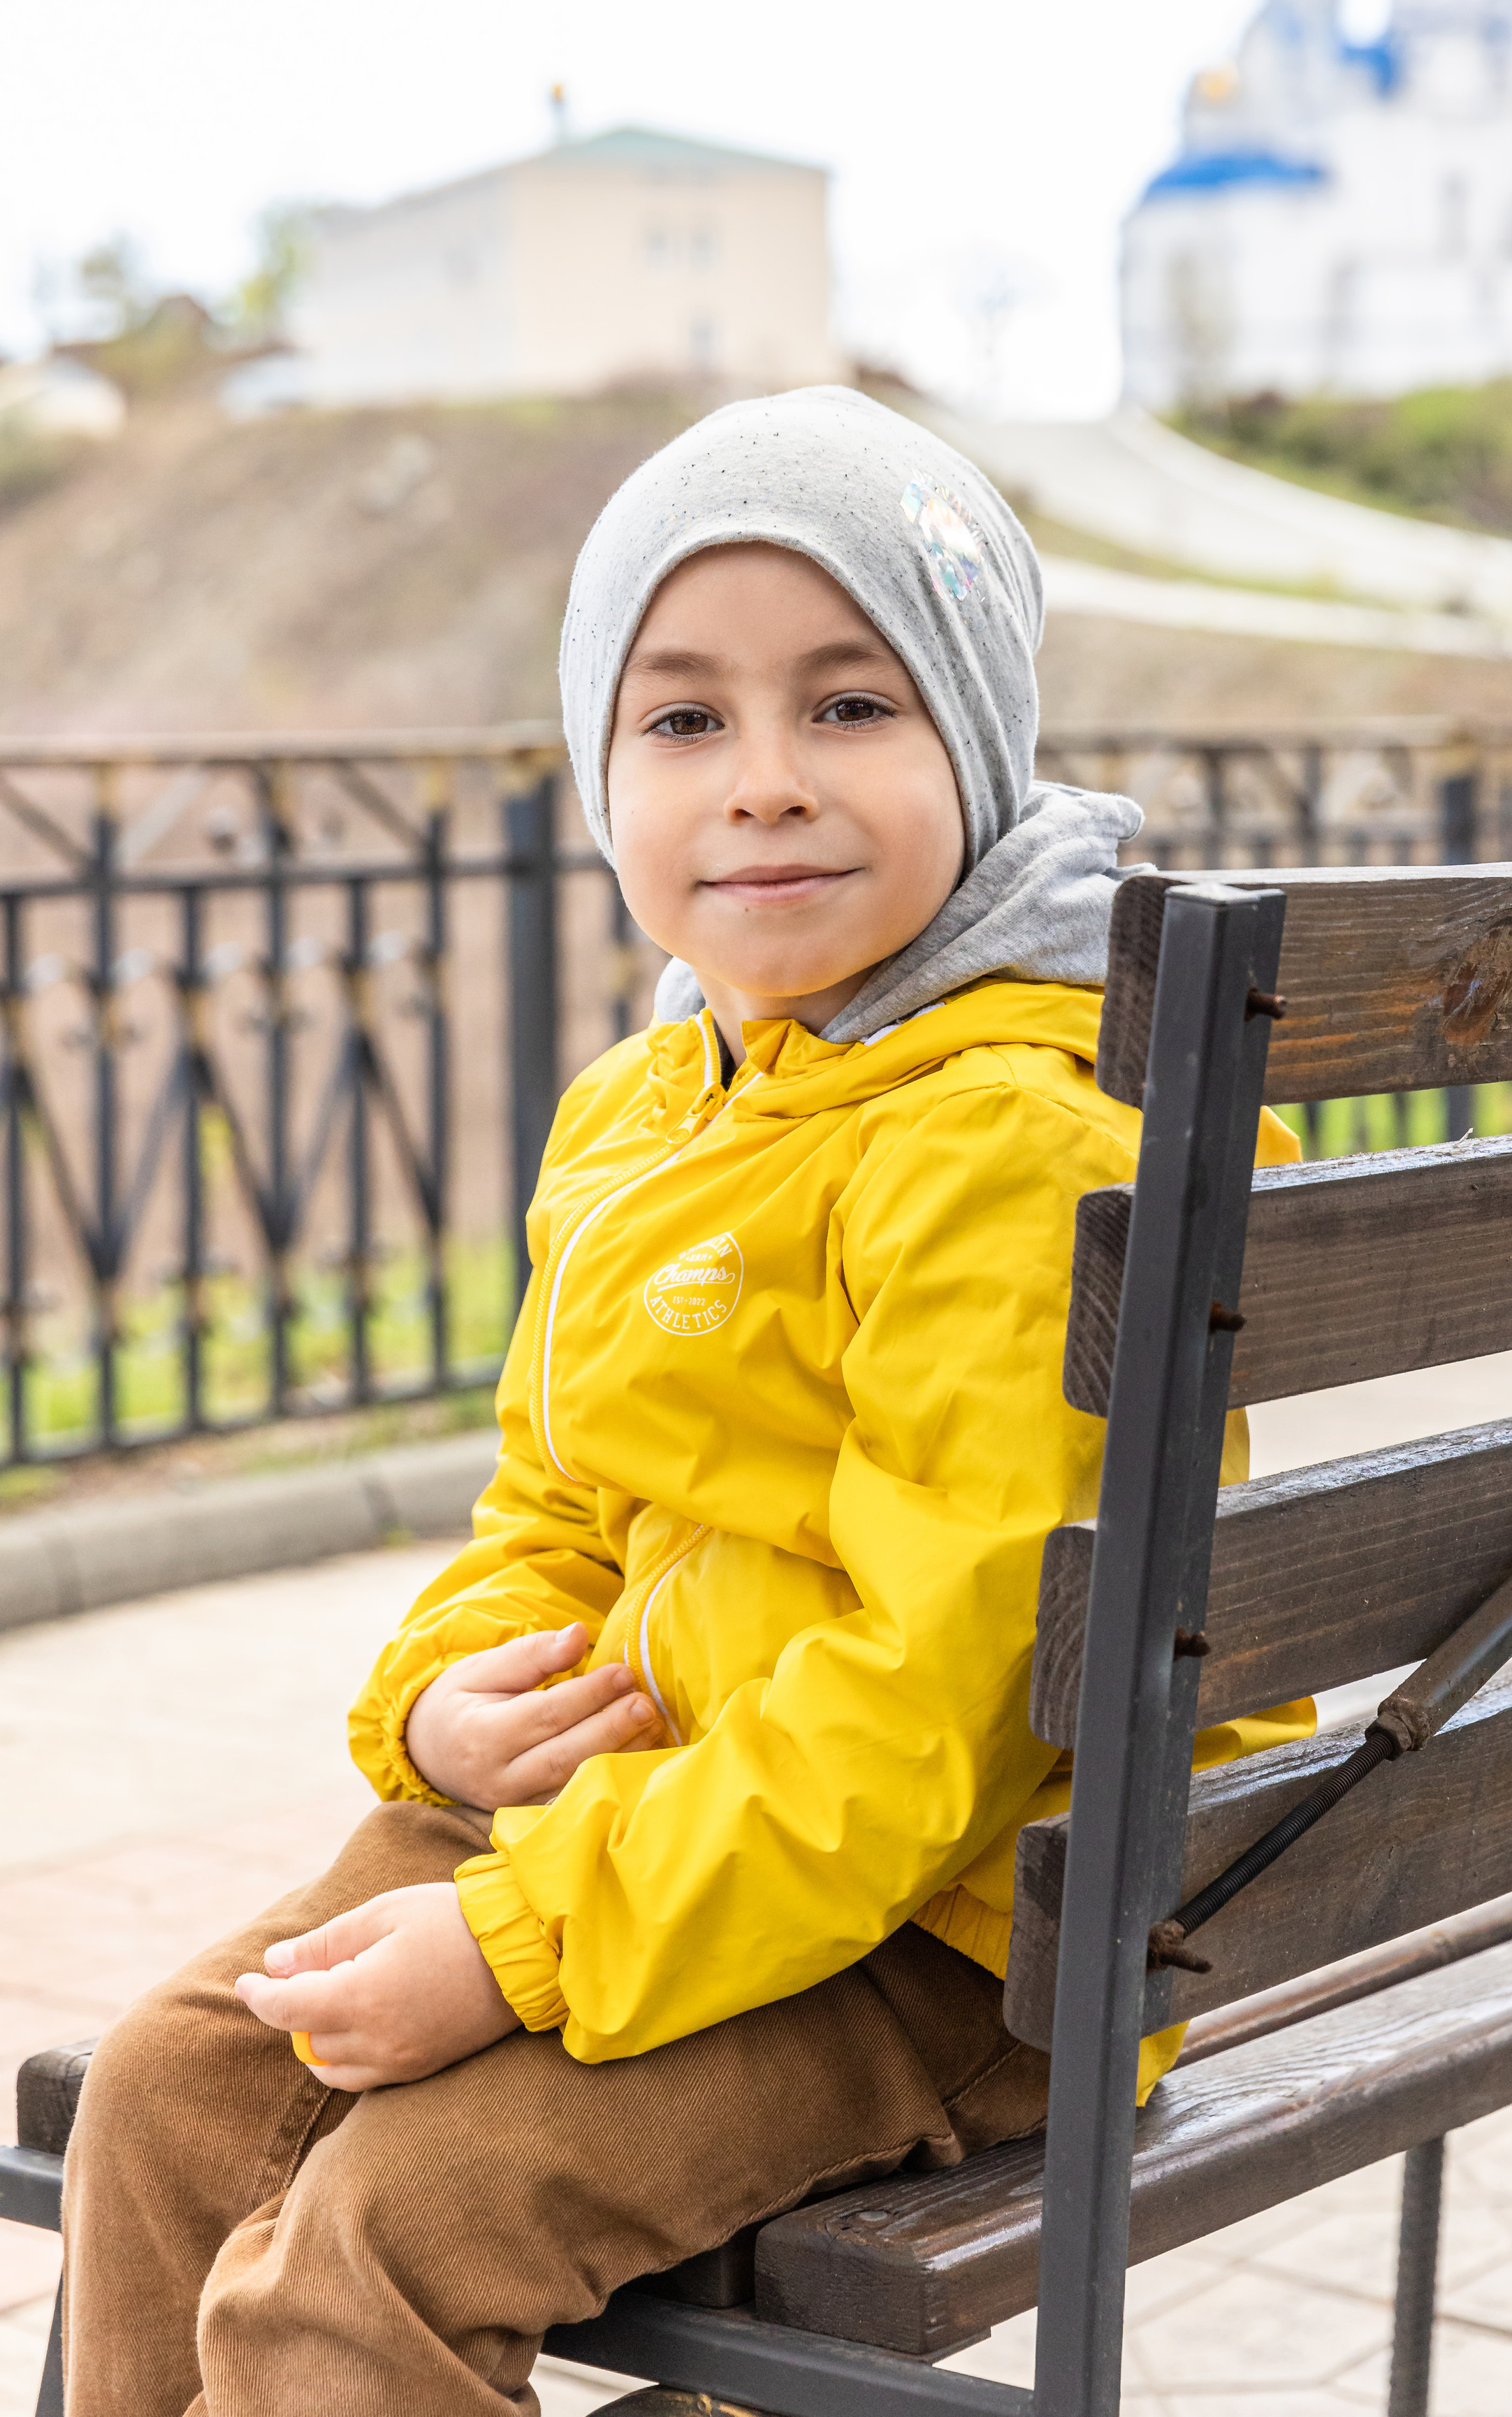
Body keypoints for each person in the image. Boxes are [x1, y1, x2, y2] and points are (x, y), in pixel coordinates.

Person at [60, 388, 1309, 2417]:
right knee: (171, 2092)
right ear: (601, 771)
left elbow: (933, 1711)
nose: (762, 785)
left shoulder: (999, 1138)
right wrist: (449, 1699)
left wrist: (514, 1946)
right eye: (684, 719)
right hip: (648, 1826)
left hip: (958, 1924)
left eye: (848, 706)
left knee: (366, 2247)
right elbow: (543, 1509)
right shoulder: (646, 1114)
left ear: (977, 754)